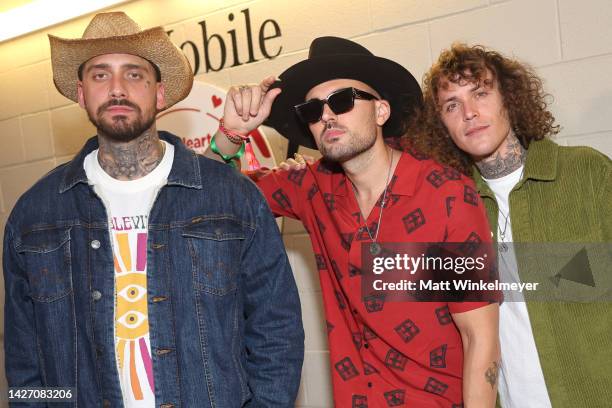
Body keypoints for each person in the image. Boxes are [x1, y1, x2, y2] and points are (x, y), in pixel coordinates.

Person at [3, 11, 304, 407]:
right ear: (81, 94)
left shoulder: (232, 197)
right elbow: (26, 359)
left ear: (159, 93)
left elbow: (276, 330)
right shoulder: (35, 215)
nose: (116, 88)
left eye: (133, 74)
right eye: (99, 75)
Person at [207, 36, 500, 407]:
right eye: (313, 110)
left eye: (342, 101)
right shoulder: (311, 187)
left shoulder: (446, 195)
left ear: (381, 112)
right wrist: (233, 132)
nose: (327, 115)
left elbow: (481, 339)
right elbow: (209, 197)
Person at [413, 43, 612, 407]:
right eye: (452, 105)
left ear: (510, 99)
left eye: (481, 93)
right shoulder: (450, 207)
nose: (469, 113)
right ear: (441, 124)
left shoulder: (586, 172)